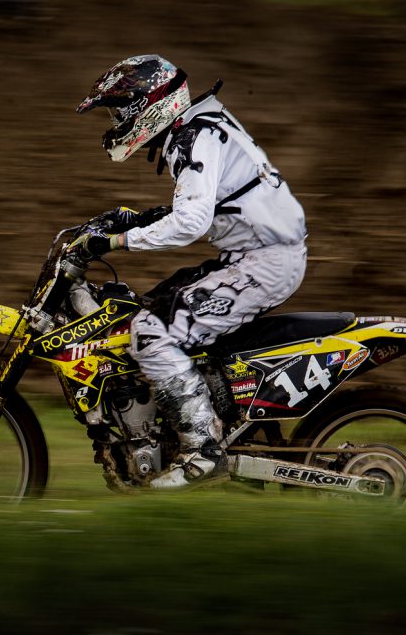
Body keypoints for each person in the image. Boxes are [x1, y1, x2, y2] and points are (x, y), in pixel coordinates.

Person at [73, 54, 307, 489]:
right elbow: (211, 204)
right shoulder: (199, 127)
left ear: (148, 105)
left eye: (119, 112)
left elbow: (191, 222)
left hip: (264, 262)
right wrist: (134, 219)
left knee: (151, 331)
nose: (117, 123)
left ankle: (203, 449)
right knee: (149, 307)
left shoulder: (194, 136)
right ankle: (194, 420)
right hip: (252, 256)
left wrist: (117, 242)